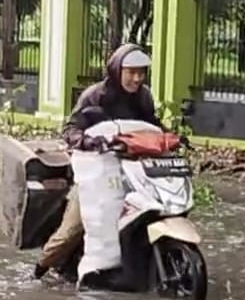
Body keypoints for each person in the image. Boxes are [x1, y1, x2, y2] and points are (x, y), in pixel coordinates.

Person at [33, 43, 161, 279]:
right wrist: (87, 141)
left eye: (141, 73)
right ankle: (38, 271)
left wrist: (170, 137)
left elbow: (153, 126)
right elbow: (70, 129)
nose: (136, 78)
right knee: (71, 230)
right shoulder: (96, 95)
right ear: (116, 70)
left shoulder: (143, 97)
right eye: (131, 72)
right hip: (95, 174)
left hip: (134, 171)